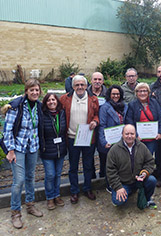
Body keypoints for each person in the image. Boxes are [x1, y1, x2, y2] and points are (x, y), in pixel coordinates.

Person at [2, 79, 44, 229]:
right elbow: (7, 130)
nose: (34, 93)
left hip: (32, 147)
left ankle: (30, 205)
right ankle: (15, 212)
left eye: (37, 90)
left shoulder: (38, 106)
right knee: (19, 181)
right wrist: (10, 151)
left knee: (31, 177)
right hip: (18, 148)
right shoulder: (16, 106)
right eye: (31, 90)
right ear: (26, 91)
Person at [60, 75, 99, 204]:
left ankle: (88, 189)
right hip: (72, 138)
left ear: (86, 86)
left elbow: (97, 115)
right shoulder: (65, 99)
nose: (80, 87)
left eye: (82, 84)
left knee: (88, 166)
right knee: (73, 167)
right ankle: (74, 191)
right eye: (77, 85)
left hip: (88, 138)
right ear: (73, 86)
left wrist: (95, 121)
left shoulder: (93, 99)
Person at [106, 124, 157, 208]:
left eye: (132, 134)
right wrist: (118, 187)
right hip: (123, 183)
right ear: (122, 134)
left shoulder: (142, 147)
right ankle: (125, 191)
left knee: (152, 180)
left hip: (138, 180)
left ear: (135, 134)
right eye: (127, 134)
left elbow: (150, 162)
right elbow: (110, 171)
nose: (129, 136)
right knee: (118, 201)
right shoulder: (114, 150)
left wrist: (144, 173)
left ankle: (147, 198)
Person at [40, 93, 67, 210]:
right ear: (45, 102)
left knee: (58, 174)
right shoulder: (42, 115)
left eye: (54, 99)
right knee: (50, 175)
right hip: (47, 150)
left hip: (60, 149)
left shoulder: (62, 113)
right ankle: (50, 197)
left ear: (57, 101)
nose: (51, 102)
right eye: (49, 100)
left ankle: (57, 195)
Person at [99, 85, 128, 191]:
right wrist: (103, 141)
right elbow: (102, 125)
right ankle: (110, 186)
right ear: (109, 95)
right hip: (109, 141)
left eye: (117, 94)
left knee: (121, 164)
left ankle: (121, 184)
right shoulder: (104, 107)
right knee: (110, 165)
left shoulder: (125, 106)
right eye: (113, 94)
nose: (115, 96)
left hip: (122, 140)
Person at [125, 83, 161, 155]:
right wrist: (135, 135)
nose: (142, 93)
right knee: (138, 158)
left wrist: (160, 133)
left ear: (148, 92)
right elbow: (129, 121)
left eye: (145, 91)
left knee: (149, 158)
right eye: (140, 91)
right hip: (138, 139)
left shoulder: (155, 103)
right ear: (136, 93)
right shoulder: (132, 105)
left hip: (152, 139)